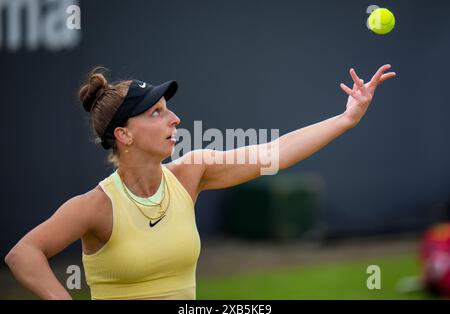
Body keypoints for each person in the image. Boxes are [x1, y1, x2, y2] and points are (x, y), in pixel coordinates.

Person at [4, 65, 396, 300]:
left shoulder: (190, 173)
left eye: (168, 109)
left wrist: (346, 118)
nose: (174, 119)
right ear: (124, 135)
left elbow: (275, 152)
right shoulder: (96, 206)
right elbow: (23, 255)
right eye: (157, 113)